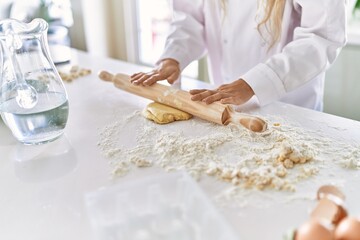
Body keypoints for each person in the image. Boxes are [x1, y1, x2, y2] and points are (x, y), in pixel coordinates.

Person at [130, 0, 346, 111]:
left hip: (291, 104)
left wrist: (254, 84)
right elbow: (190, 18)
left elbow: (321, 37)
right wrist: (173, 58)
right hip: (224, 102)